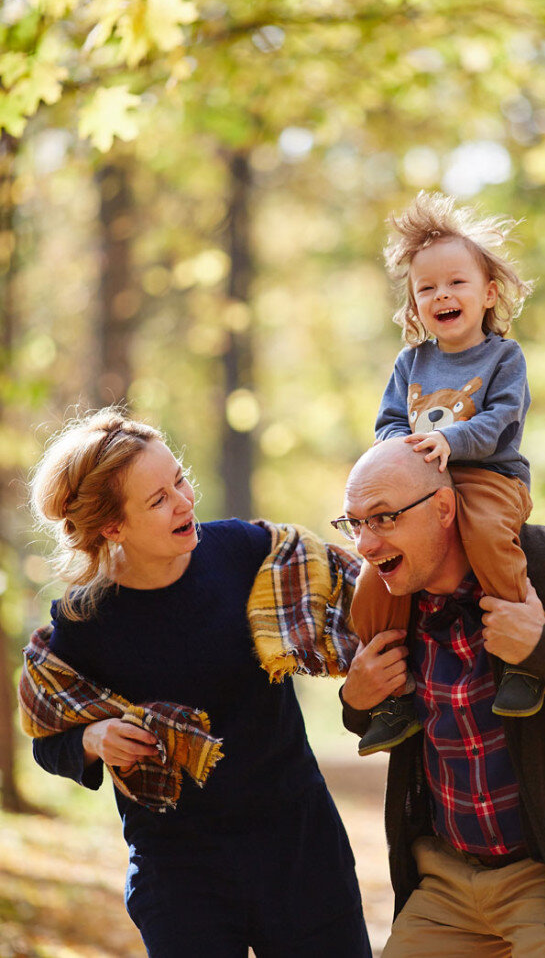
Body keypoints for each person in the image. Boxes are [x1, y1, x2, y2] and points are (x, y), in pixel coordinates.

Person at [19, 408, 371, 958]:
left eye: (178, 478)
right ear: (113, 527)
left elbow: (368, 591)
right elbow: (49, 739)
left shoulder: (250, 553)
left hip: (299, 847)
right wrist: (93, 740)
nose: (183, 501)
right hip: (179, 869)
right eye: (157, 500)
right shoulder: (82, 626)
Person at [336, 437, 545, 958]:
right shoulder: (391, 602)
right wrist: (355, 700)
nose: (365, 544)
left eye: (383, 518)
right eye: (354, 523)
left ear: (443, 508)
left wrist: (543, 649)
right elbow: (378, 716)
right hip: (446, 879)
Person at [347, 190, 539, 758]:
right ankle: (390, 689)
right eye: (426, 288)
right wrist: (396, 457)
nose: (442, 295)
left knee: (482, 536)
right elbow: (386, 423)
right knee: (374, 571)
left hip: (488, 478)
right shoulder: (411, 363)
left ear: (488, 293)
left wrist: (447, 442)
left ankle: (519, 660)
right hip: (424, 483)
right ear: (414, 303)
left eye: (456, 282)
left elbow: (503, 423)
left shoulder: (505, 359)